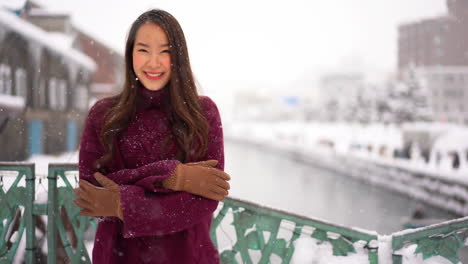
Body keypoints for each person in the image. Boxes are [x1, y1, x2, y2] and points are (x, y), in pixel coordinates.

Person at [73, 9, 230, 264]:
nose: (153, 62)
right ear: (130, 55)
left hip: (189, 257)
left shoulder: (203, 113)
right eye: (143, 50)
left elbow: (206, 199)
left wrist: (121, 204)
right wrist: (171, 177)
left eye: (165, 51)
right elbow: (92, 194)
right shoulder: (103, 114)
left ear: (178, 57)